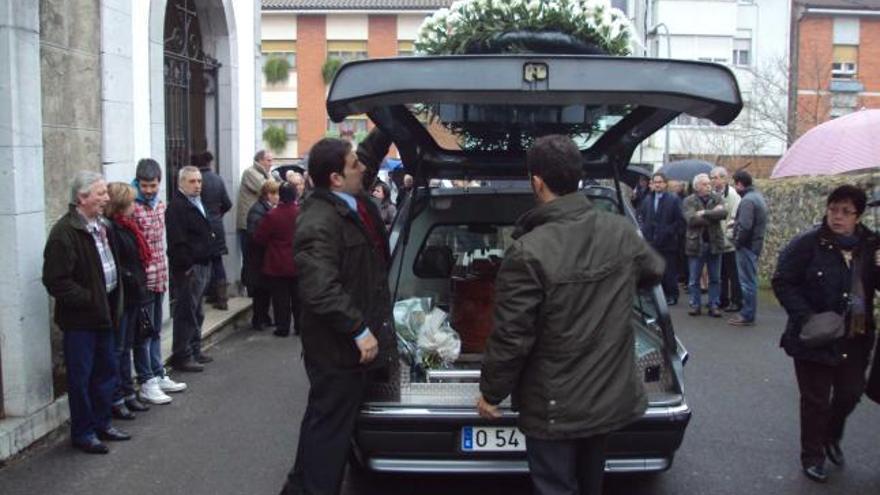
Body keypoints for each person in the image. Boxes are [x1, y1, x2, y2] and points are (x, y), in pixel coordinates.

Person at [477, 135, 664, 495]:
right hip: (606, 397)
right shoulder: (620, 231)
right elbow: (654, 270)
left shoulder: (528, 251)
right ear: (577, 177)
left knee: (556, 487)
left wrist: (491, 393)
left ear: (537, 182)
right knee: (590, 484)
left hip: (554, 405)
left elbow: (512, 337)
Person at [280, 138, 395, 495]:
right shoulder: (319, 220)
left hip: (349, 348)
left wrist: (387, 121)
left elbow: (368, 159)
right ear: (335, 178)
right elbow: (319, 288)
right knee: (330, 434)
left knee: (324, 424)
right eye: (353, 164)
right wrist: (358, 329)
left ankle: (299, 488)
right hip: (337, 350)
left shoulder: (349, 200)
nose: (362, 167)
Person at [771, 185, 879, 483]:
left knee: (850, 393)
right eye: (833, 209)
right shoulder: (808, 243)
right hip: (814, 336)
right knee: (815, 399)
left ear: (858, 215)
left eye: (846, 211)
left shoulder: (872, 245)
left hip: (856, 334)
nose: (838, 216)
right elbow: (782, 281)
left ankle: (831, 435)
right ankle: (813, 455)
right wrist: (806, 317)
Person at [42, 171, 132, 454]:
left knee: (106, 372)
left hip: (104, 315)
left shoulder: (102, 225)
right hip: (81, 321)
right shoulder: (64, 233)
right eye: (100, 193)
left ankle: (102, 423)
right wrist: (91, 299)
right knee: (81, 379)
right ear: (82, 198)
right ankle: (83, 432)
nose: (107, 198)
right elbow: (55, 281)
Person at [131, 159, 187, 403]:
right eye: (144, 185)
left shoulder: (159, 205)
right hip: (142, 279)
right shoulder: (132, 207)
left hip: (160, 275)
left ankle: (157, 372)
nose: (149, 190)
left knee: (155, 330)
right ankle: (146, 380)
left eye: (153, 185)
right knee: (142, 333)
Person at [105, 183, 153, 420]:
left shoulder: (129, 227)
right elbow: (117, 263)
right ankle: (118, 397)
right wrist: (132, 278)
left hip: (135, 294)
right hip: (124, 297)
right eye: (131, 202)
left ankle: (128, 392)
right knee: (119, 349)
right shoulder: (113, 229)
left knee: (128, 347)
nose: (135, 206)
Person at [166, 166, 218, 372]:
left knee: (197, 311)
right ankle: (182, 354)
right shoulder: (177, 207)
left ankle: (195, 349)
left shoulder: (196, 202)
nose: (197, 185)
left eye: (199, 181)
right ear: (181, 183)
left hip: (203, 263)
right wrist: (186, 265)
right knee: (186, 312)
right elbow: (177, 240)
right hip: (190, 267)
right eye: (192, 181)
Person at [254, 182, 300, 337]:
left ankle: (283, 327)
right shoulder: (301, 213)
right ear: (295, 195)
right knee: (298, 297)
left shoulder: (272, 215)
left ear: (280, 195)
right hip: (298, 261)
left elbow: (260, 237)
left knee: (280, 299)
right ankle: (300, 326)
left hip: (277, 262)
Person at [683, 173, 727, 317]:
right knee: (694, 278)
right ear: (697, 187)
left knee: (715, 278)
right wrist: (712, 215)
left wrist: (704, 213)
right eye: (705, 184)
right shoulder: (689, 201)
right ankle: (695, 305)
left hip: (714, 243)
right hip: (696, 243)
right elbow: (691, 220)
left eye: (709, 183)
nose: (709, 186)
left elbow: (723, 214)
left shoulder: (717, 198)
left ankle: (714, 305)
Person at [637, 172, 685, 305]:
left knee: (669, 270)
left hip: (668, 242)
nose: (657, 184)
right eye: (655, 182)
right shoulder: (648, 199)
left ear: (665, 184)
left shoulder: (673, 199)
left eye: (660, 182)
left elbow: (680, 221)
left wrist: (669, 231)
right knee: (653, 270)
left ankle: (672, 295)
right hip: (651, 242)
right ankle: (655, 296)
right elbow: (641, 217)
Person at [729, 170, 768, 326]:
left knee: (747, 282)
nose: (734, 187)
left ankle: (747, 314)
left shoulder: (747, 201)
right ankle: (748, 313)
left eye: (735, 183)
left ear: (739, 184)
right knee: (749, 280)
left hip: (747, 246)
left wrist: (737, 241)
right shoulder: (757, 197)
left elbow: (745, 226)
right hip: (754, 244)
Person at [195, 151, 233, 310]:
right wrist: (217, 214)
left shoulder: (196, 181)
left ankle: (203, 296)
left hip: (200, 225)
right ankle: (222, 298)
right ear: (210, 163)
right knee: (217, 261)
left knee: (202, 261)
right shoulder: (218, 179)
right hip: (216, 225)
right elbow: (228, 203)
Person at [244, 180, 280, 331]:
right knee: (260, 291)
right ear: (267, 195)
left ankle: (263, 317)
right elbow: (255, 234)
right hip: (257, 257)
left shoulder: (266, 208)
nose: (277, 197)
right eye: (275, 193)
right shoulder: (258, 210)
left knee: (265, 290)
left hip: (262, 256)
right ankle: (258, 319)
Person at [710, 167, 742, 313]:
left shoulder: (733, 196)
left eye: (717, 178)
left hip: (729, 242)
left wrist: (729, 239)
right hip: (717, 240)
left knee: (733, 273)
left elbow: (734, 218)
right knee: (720, 273)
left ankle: (736, 301)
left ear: (724, 179)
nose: (714, 181)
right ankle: (723, 299)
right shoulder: (713, 195)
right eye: (712, 178)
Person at [237, 150, 272, 266]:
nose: (271, 163)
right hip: (249, 224)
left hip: (257, 222)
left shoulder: (266, 174)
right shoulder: (250, 173)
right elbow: (268, 189)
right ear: (260, 160)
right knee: (250, 259)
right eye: (269, 160)